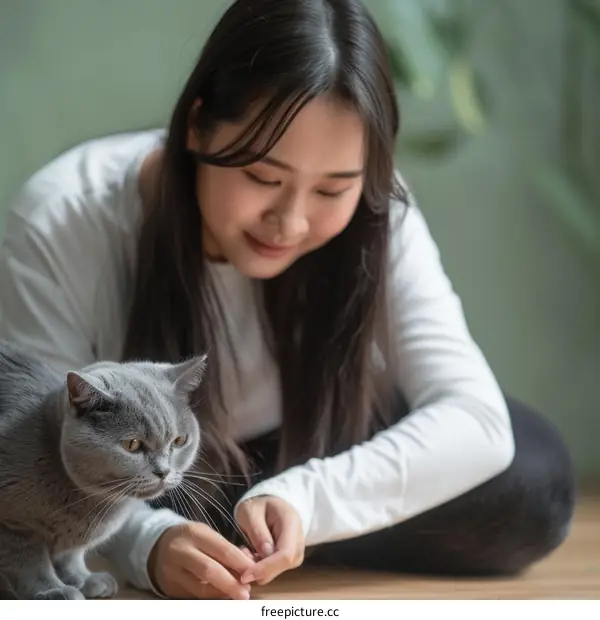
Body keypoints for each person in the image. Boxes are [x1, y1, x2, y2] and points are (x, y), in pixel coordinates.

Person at [0, 0, 575, 602]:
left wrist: (303, 498)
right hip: (156, 469)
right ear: (196, 126)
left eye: (334, 187)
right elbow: (45, 463)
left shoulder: (381, 211)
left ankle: (259, 531)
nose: (291, 221)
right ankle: (232, 535)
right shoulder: (64, 216)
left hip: (304, 446)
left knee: (531, 477)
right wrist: (151, 541)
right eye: (263, 178)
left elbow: (477, 420)